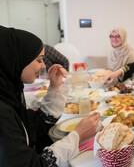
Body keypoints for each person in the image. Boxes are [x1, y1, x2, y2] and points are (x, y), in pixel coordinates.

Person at [0, 26, 100, 167]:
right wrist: (77, 135)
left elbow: (37, 125)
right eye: (39, 60)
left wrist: (54, 87)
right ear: (17, 58)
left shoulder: (9, 95)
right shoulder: (2, 113)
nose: (43, 66)